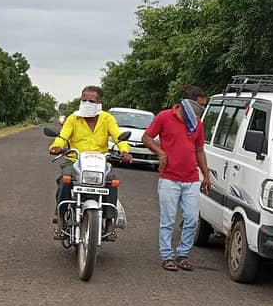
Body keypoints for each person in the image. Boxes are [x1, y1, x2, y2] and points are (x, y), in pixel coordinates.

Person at [49, 86, 133, 240]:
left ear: (99, 102)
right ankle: (60, 217)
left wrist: (125, 151)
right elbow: (62, 137)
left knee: (112, 180)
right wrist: (56, 146)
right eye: (84, 100)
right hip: (75, 161)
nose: (87, 103)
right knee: (65, 179)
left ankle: (109, 221)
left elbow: (118, 137)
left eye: (91, 101)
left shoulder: (107, 119)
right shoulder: (73, 118)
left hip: (100, 163)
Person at [142, 86, 211, 271]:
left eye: (204, 105)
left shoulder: (197, 123)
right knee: (168, 219)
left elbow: (199, 150)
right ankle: (167, 256)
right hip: (169, 178)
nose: (202, 109)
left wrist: (206, 174)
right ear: (188, 102)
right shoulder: (165, 117)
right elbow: (147, 138)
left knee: (192, 219)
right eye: (200, 105)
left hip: (191, 178)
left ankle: (183, 254)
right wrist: (161, 154)